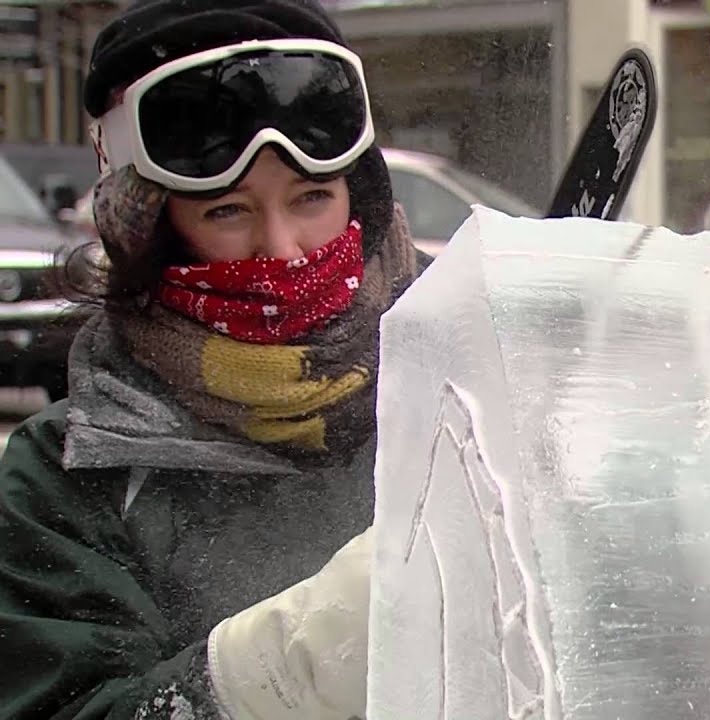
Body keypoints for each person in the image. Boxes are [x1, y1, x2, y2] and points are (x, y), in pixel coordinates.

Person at [0, 1, 423, 718]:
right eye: (229, 210)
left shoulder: (453, 393)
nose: (283, 248)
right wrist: (280, 671)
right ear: (151, 232)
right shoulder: (72, 477)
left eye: (313, 197)